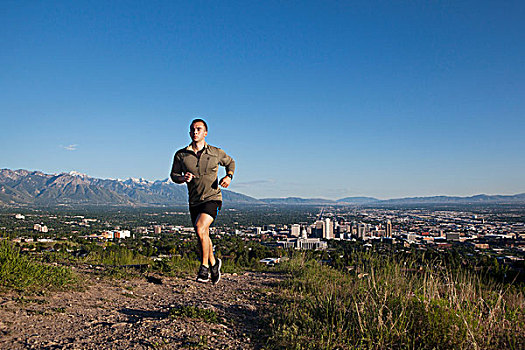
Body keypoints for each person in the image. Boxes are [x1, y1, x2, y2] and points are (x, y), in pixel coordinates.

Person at [170, 119, 235, 284]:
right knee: (203, 234)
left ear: (205, 133)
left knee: (200, 228)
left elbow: (230, 162)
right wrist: (182, 178)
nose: (195, 132)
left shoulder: (215, 152)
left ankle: (204, 267)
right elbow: (173, 176)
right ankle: (215, 264)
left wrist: (229, 176)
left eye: (199, 129)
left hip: (213, 198)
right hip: (194, 201)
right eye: (192, 129)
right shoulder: (181, 155)